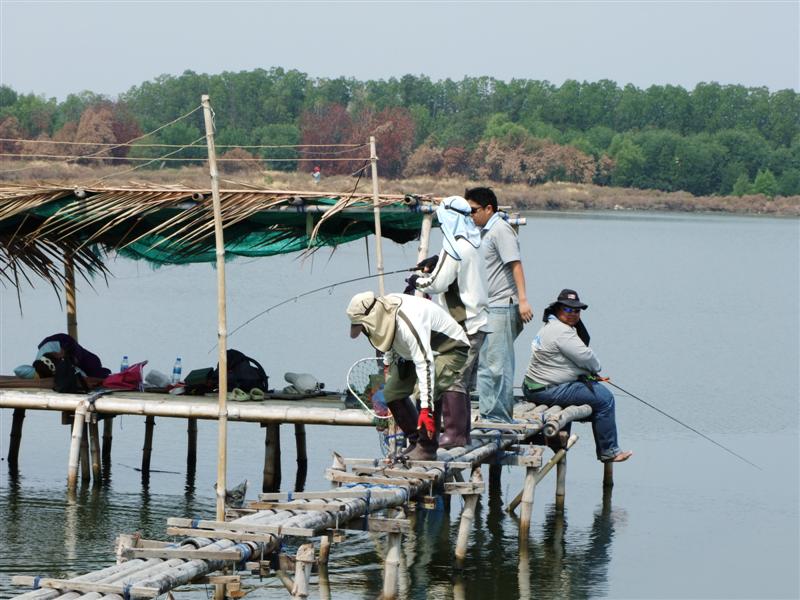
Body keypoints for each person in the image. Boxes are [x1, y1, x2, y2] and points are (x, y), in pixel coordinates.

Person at [346, 291, 470, 460]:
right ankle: (415, 441)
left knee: (425, 391)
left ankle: (427, 448)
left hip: (448, 348)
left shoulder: (408, 322)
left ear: (371, 317)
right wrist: (388, 365)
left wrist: (426, 409)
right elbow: (387, 339)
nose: (363, 332)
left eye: (362, 327)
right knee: (391, 393)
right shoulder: (383, 313)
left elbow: (425, 363)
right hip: (411, 353)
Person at [409, 195, 489, 447]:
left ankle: (453, 434)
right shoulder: (474, 243)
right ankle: (462, 434)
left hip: (461, 324)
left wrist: (417, 281)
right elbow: (452, 270)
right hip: (478, 321)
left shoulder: (454, 245)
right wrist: (436, 262)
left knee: (453, 379)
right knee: (462, 381)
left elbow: (438, 283)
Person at [522, 289, 632, 463]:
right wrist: (592, 371)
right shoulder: (562, 332)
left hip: (534, 387)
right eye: (567, 309)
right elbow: (590, 360)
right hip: (548, 390)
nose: (573, 314)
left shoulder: (549, 326)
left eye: (576, 310)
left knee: (589, 393)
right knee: (605, 399)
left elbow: (566, 361)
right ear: (558, 309)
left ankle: (557, 439)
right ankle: (609, 451)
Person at [465, 187, 533, 422]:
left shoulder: (500, 230)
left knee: (497, 365)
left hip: (503, 305)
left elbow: (516, 265)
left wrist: (523, 301)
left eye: (473, 211)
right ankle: (489, 414)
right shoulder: (482, 232)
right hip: (488, 307)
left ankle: (499, 419)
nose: (470, 215)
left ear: (488, 208)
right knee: (486, 365)